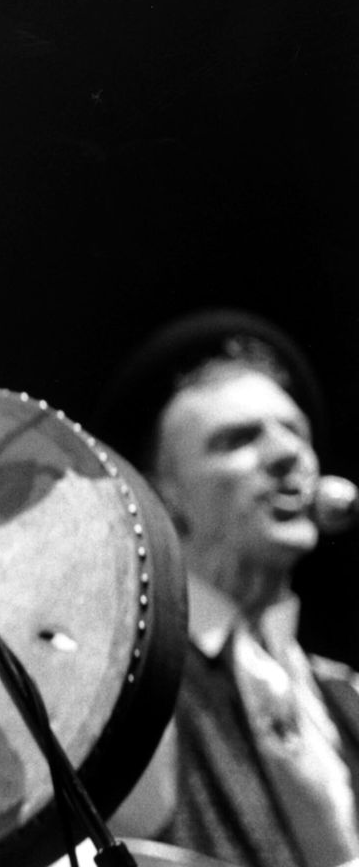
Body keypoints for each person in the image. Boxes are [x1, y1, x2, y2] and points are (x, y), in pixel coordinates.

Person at [98, 310, 359, 867]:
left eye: (295, 430)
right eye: (238, 439)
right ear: (162, 494)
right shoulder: (126, 694)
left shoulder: (346, 697)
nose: (289, 454)